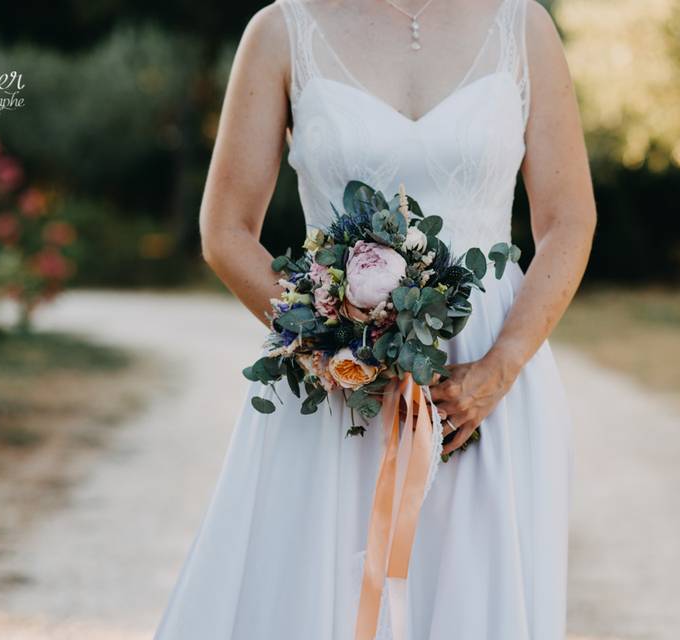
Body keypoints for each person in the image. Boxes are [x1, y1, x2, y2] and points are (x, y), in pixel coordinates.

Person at [155, 0, 596, 637]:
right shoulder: (282, 31)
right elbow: (225, 232)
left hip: (491, 378)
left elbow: (568, 220)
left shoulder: (521, 26)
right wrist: (333, 342)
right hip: (336, 380)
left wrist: (500, 368)